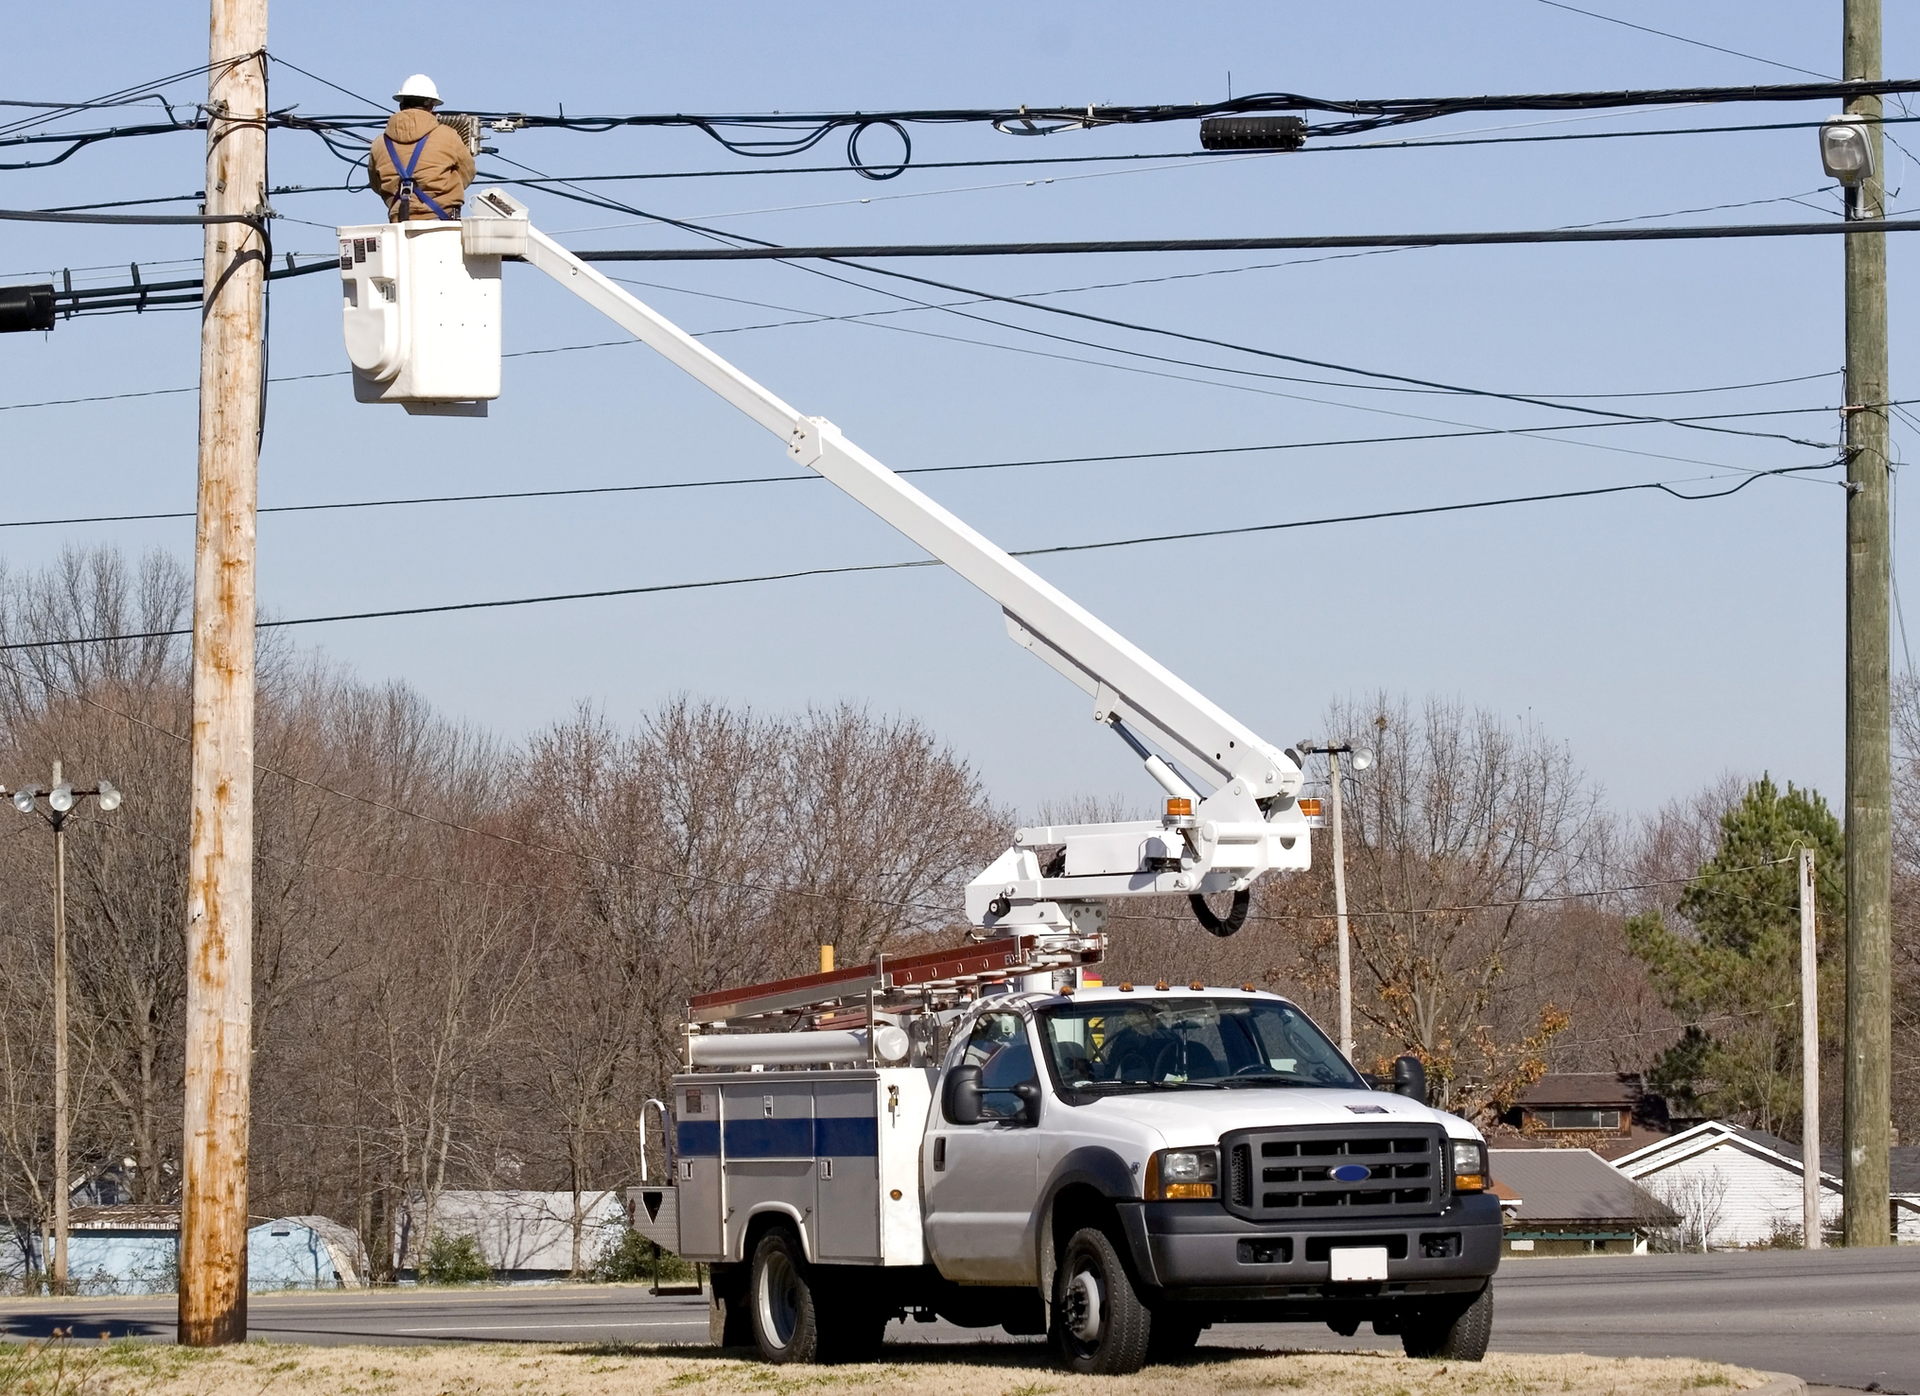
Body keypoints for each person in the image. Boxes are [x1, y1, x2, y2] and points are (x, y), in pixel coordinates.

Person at [368, 74, 474, 222]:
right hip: (442, 223)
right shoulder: (448, 136)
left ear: (401, 105)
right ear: (431, 106)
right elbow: (467, 173)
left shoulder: (380, 143)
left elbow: (376, 184)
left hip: (399, 224)